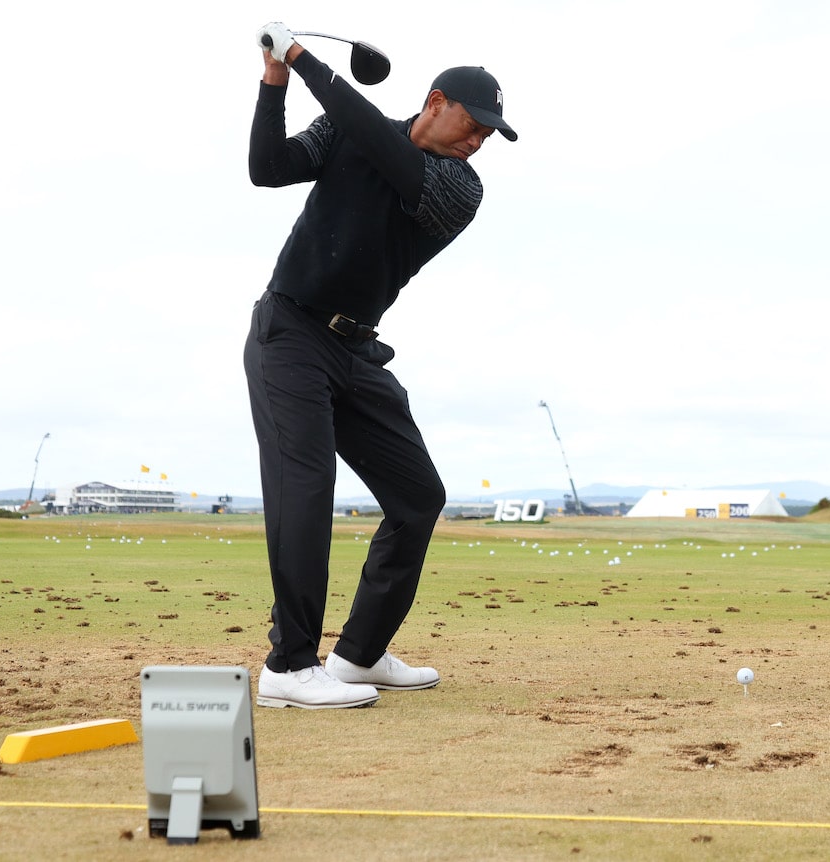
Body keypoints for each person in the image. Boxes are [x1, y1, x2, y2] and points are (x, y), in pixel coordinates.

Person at [245, 22, 517, 709]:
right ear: (435, 101)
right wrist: (274, 81)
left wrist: (302, 57)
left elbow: (386, 150)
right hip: (291, 335)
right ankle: (288, 666)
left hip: (357, 351)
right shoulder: (345, 132)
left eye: (488, 133)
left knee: (418, 496)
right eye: (473, 122)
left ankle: (359, 654)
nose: (478, 139)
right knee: (307, 488)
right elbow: (267, 167)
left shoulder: (459, 188)